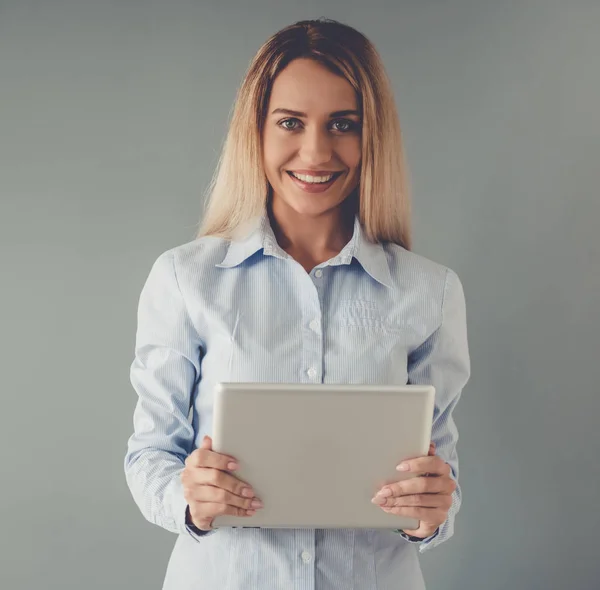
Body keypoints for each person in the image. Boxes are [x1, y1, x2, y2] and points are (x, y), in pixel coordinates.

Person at [124, 18, 470, 590]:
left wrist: (433, 511)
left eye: (343, 124)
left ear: (371, 136)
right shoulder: (186, 280)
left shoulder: (429, 293)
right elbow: (149, 456)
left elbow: (441, 478)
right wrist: (190, 499)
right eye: (290, 122)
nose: (316, 151)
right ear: (255, 131)